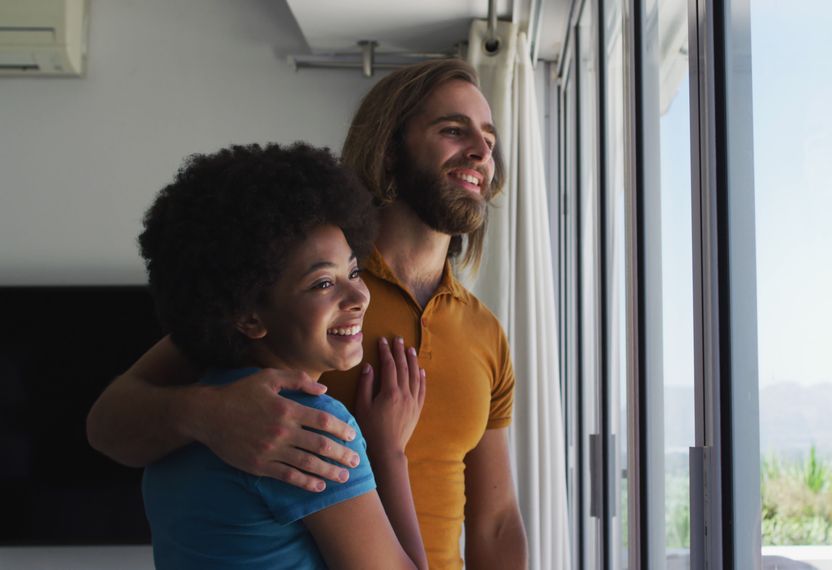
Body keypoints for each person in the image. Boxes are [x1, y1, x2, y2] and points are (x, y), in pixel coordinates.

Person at [87, 60, 527, 570]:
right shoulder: (288, 296)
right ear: (390, 149)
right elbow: (107, 424)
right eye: (454, 130)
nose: (482, 151)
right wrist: (207, 414)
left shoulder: (484, 332)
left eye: (489, 139)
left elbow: (496, 522)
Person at [134, 142, 427, 569]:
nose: (359, 296)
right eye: (323, 283)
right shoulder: (306, 425)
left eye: (353, 271)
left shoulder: (173, 425)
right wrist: (388, 451)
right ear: (249, 317)